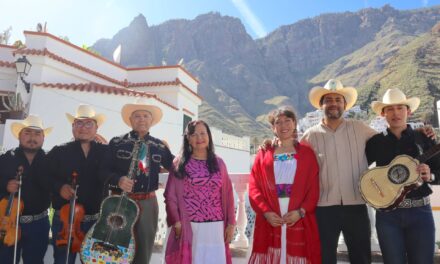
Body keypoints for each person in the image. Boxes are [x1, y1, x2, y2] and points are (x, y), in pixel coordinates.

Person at [301, 79, 376, 264]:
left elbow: (389, 143)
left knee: (361, 258)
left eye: (338, 99)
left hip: (356, 204)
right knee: (323, 258)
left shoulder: (360, 128)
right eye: (328, 100)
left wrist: (419, 134)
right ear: (321, 105)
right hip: (323, 208)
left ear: (344, 104)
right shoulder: (309, 136)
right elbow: (295, 161)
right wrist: (271, 144)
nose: (333, 103)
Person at [365, 88, 440, 264]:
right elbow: (359, 168)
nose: (395, 113)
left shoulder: (423, 137)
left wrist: (430, 176)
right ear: (383, 113)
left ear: (409, 111)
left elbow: (439, 171)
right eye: (390, 109)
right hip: (387, 216)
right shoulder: (376, 142)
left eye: (400, 108)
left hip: (420, 213)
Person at [249, 107, 321, 263]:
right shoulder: (264, 153)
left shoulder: (307, 153)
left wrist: (301, 212)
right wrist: (266, 212)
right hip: (271, 212)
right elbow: (254, 187)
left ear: (295, 123)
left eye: (287, 121)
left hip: (296, 212)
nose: (283, 126)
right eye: (278, 122)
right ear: (273, 128)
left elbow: (314, 189)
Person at [107, 97, 174, 263]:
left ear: (151, 121)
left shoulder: (160, 147)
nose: (142, 119)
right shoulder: (116, 143)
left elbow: (177, 167)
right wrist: (118, 180)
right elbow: (103, 170)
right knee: (116, 249)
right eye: (137, 116)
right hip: (120, 202)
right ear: (130, 120)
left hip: (148, 204)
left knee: (144, 250)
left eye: (146, 116)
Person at [164, 120, 236, 264]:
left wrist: (231, 223)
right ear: (188, 139)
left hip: (215, 227)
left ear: (209, 136)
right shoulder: (180, 163)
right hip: (190, 226)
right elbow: (170, 196)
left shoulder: (219, 163)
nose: (199, 138)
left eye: (203, 133)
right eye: (194, 134)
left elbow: (228, 193)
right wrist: (176, 222)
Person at [47, 104, 109, 264]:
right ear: (73, 127)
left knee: (93, 261)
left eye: (89, 124)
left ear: (96, 128)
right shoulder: (58, 151)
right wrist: (59, 187)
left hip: (96, 221)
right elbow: (44, 178)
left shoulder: (106, 152)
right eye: (79, 123)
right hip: (64, 221)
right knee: (62, 260)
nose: (83, 128)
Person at [0, 115, 52, 264]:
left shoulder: (50, 161)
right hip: (8, 222)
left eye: (37, 134)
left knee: (35, 261)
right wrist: (5, 185)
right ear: (19, 136)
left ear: (43, 138)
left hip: (39, 223)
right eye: (27, 133)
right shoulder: (6, 158)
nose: (32, 138)